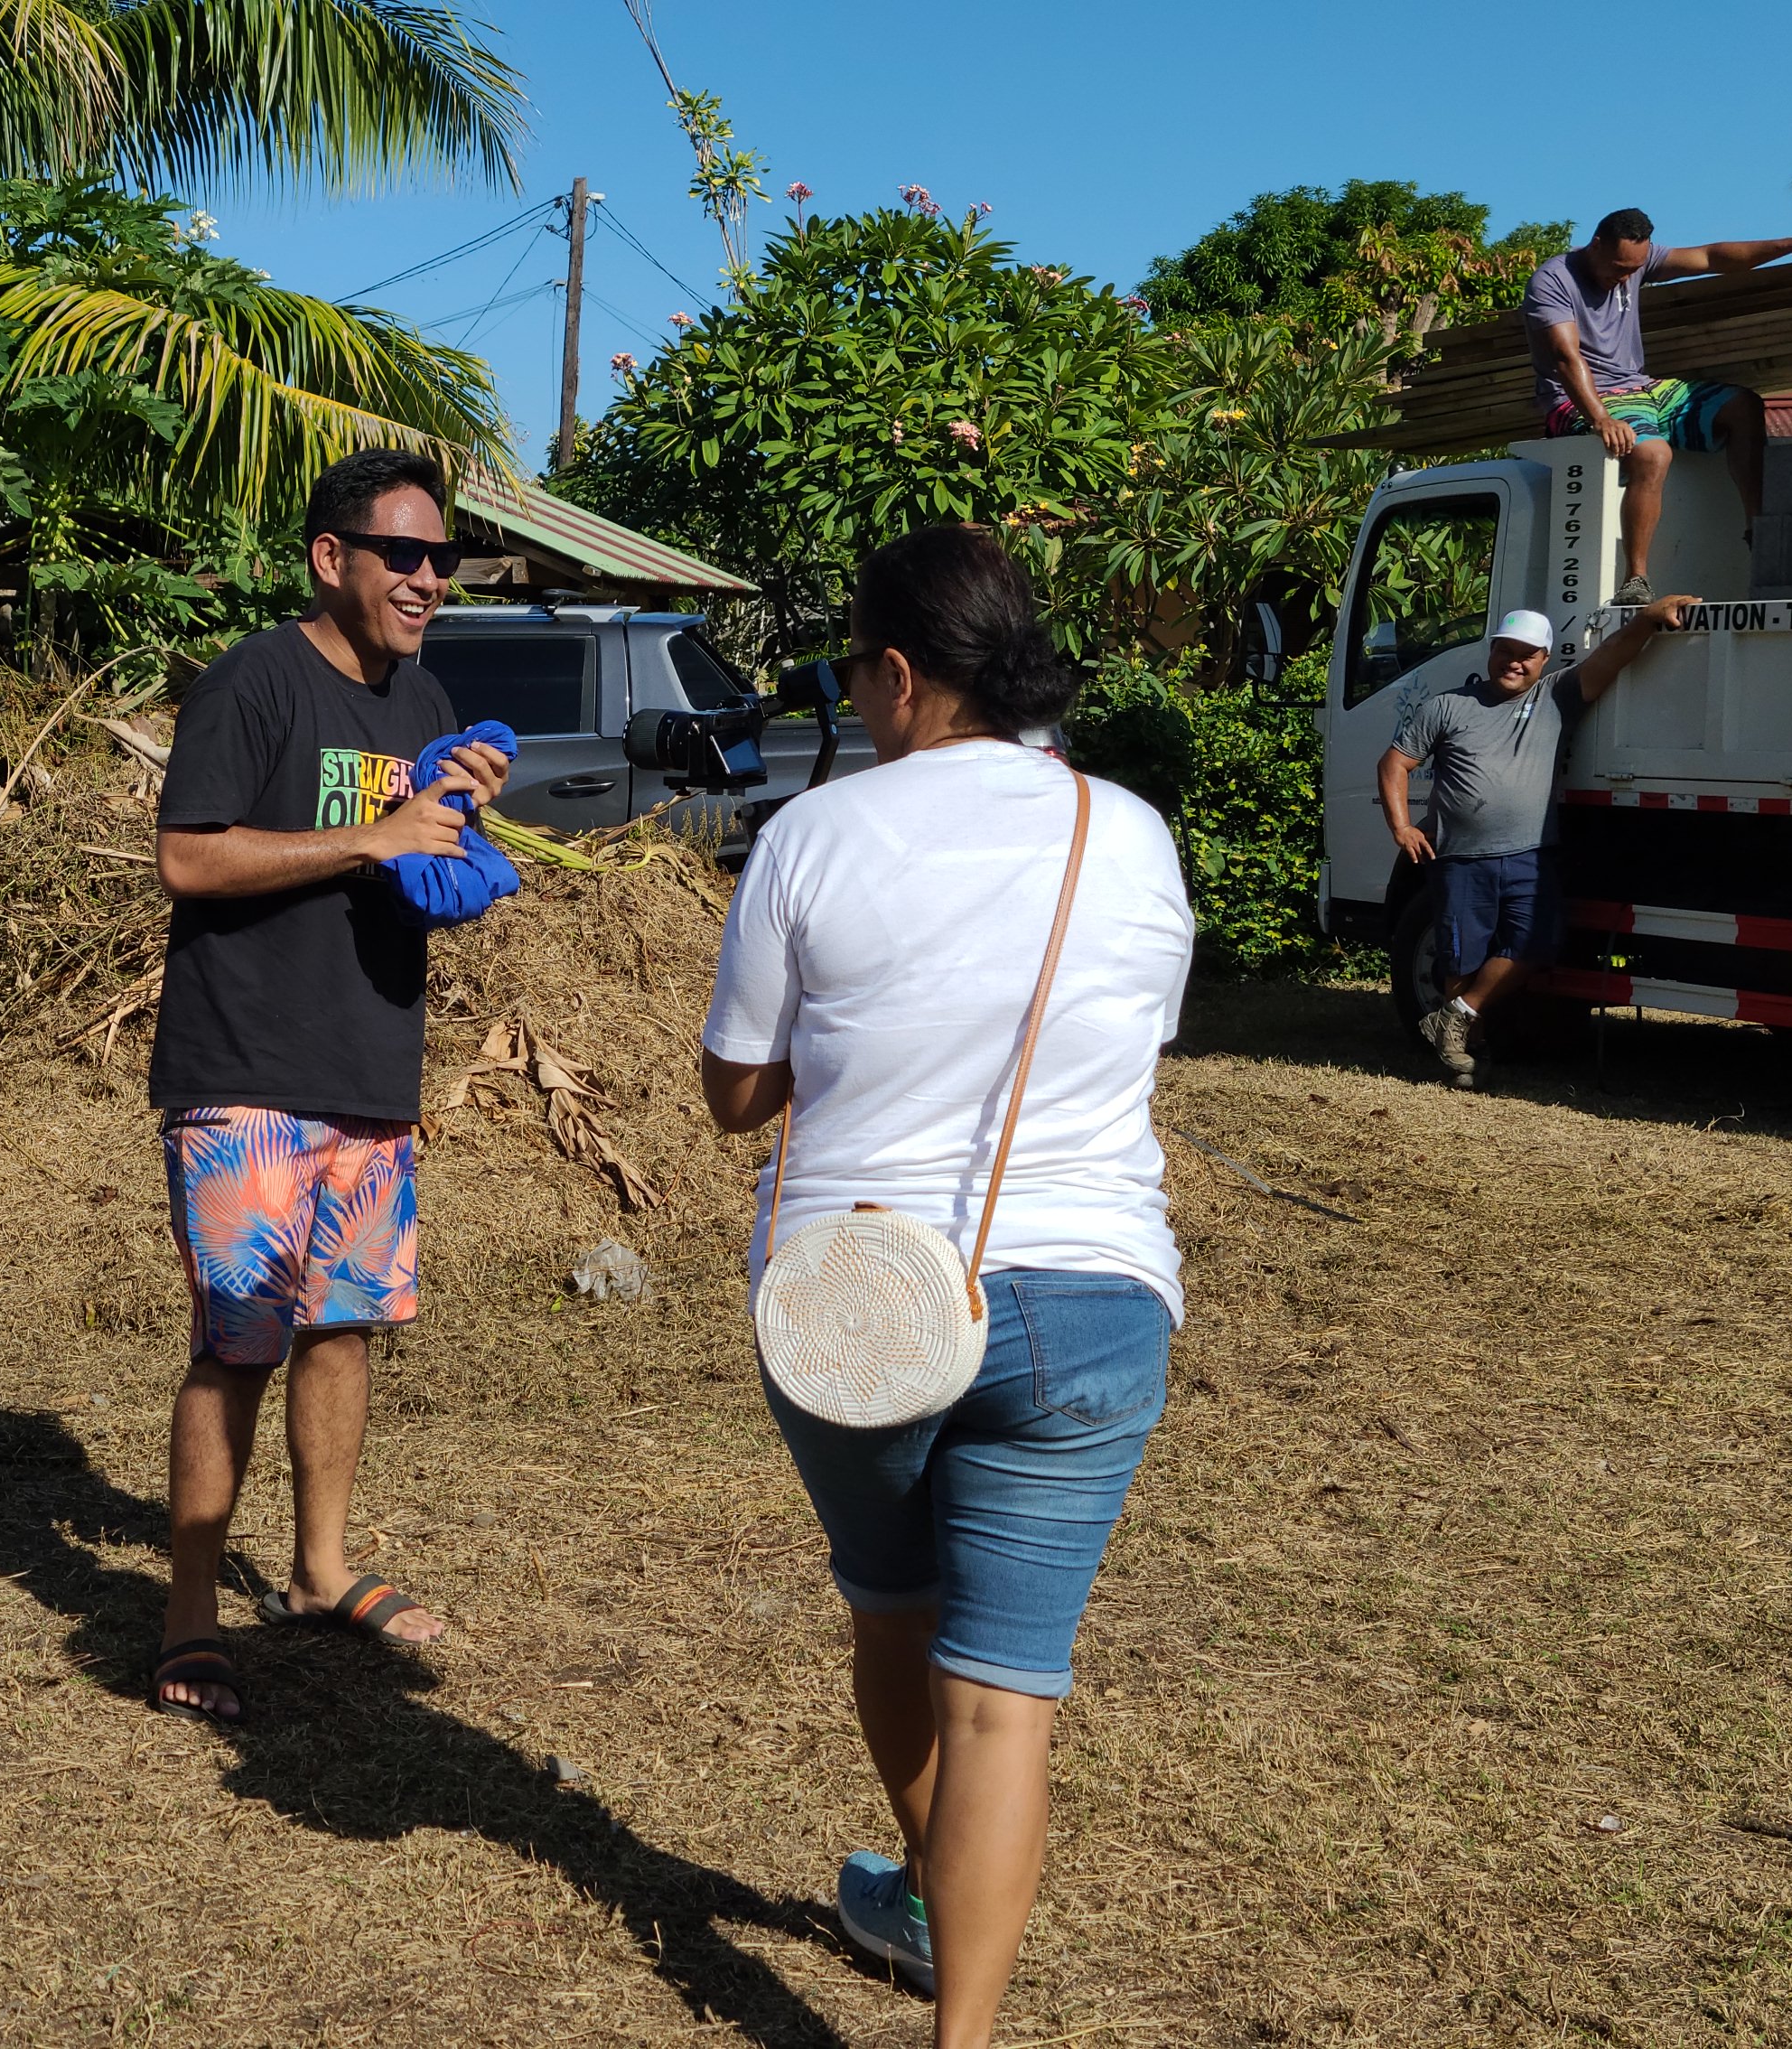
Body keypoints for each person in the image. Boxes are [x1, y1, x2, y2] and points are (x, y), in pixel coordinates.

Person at [696, 526, 1193, 2044]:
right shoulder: (1128, 830)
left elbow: (732, 1092)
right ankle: (959, 2032)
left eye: (853, 672)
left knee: (895, 1621)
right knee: (1006, 1698)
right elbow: (1132, 1041)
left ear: (900, 674)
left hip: (861, 1304)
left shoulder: (815, 833)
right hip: (1092, 1300)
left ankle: (921, 1889)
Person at [144, 448, 513, 1726]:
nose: (426, 581)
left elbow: (424, 875)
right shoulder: (256, 680)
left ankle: (319, 1570)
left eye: (442, 561)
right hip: (245, 1069)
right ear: (331, 558)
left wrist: (461, 822)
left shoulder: (423, 698)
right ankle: (191, 1612)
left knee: (343, 1326)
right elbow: (187, 859)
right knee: (238, 1342)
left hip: (371, 1065)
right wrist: (373, 833)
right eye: (402, 556)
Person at [1380, 596, 1694, 1085]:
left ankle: (1455, 1017)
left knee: (1538, 941)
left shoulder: (1555, 697)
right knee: (1462, 956)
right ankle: (1466, 1052)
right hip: (1459, 856)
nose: (1515, 661)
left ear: (1544, 659)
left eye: (1528, 654)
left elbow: (1612, 654)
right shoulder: (1447, 706)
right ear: (1491, 652)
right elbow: (1395, 763)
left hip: (1529, 854)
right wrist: (1402, 827)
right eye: (1506, 650)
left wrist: (1648, 619)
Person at [1524, 208, 1792, 602]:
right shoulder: (1553, 280)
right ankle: (1636, 580)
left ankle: (1758, 533)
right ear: (1596, 244)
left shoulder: (1639, 262)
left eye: (1634, 270)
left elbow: (1712, 257)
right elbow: (1565, 357)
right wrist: (1601, 418)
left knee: (1742, 405)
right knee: (1653, 454)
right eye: (1618, 268)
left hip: (1641, 388)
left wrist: (1790, 244)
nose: (1625, 277)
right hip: (1578, 400)